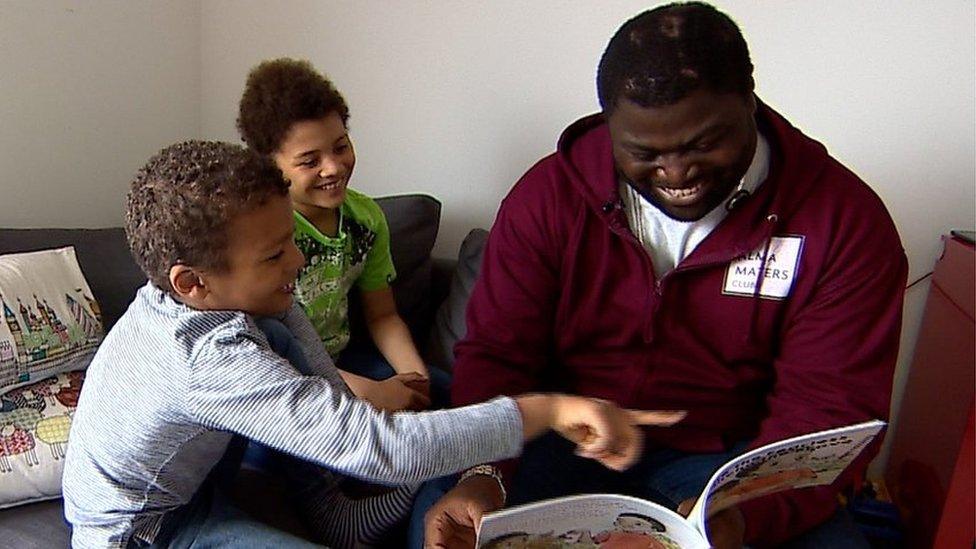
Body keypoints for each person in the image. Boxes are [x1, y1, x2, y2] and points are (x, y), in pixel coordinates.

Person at [417, 3, 907, 548]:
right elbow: (497, 357)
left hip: (730, 466)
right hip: (556, 445)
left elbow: (824, 415)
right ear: (608, 128)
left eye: (702, 143)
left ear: (750, 99)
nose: (677, 175)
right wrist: (483, 476)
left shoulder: (845, 222)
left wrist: (736, 518)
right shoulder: (548, 198)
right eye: (644, 152)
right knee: (443, 527)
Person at [60, 141, 685, 548]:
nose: (300, 258)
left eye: (291, 237)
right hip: (142, 534)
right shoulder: (204, 360)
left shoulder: (249, 304)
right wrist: (546, 410)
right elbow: (376, 450)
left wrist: (417, 445)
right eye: (276, 253)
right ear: (191, 284)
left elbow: (337, 417)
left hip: (202, 480)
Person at [237, 58, 446, 411]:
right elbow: (257, 350)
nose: (333, 167)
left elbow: (382, 316)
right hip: (278, 381)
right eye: (309, 160)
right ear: (269, 165)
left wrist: (416, 380)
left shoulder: (364, 219)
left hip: (344, 361)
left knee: (448, 392)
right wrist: (363, 392)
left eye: (340, 146)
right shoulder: (257, 231)